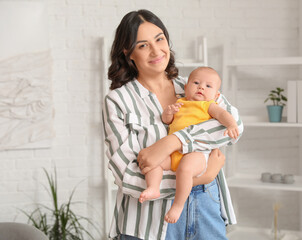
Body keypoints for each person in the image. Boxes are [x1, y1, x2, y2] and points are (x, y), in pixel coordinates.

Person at [102, 9, 243, 240]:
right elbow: (125, 174)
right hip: (147, 221)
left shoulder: (196, 86)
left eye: (160, 39)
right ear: (128, 53)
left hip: (206, 207)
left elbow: (234, 126)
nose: (156, 51)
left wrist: (174, 141)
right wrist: (202, 178)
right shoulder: (118, 101)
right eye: (143, 45)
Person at [139, 67, 240, 224]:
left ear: (216, 95)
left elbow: (222, 115)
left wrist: (231, 125)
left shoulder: (208, 105)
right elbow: (167, 121)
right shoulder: (180, 103)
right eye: (196, 83)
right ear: (186, 88)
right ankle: (153, 187)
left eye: (208, 86)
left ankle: (178, 206)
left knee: (185, 169)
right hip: (174, 153)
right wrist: (169, 113)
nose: (201, 87)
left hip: (197, 153)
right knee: (154, 163)